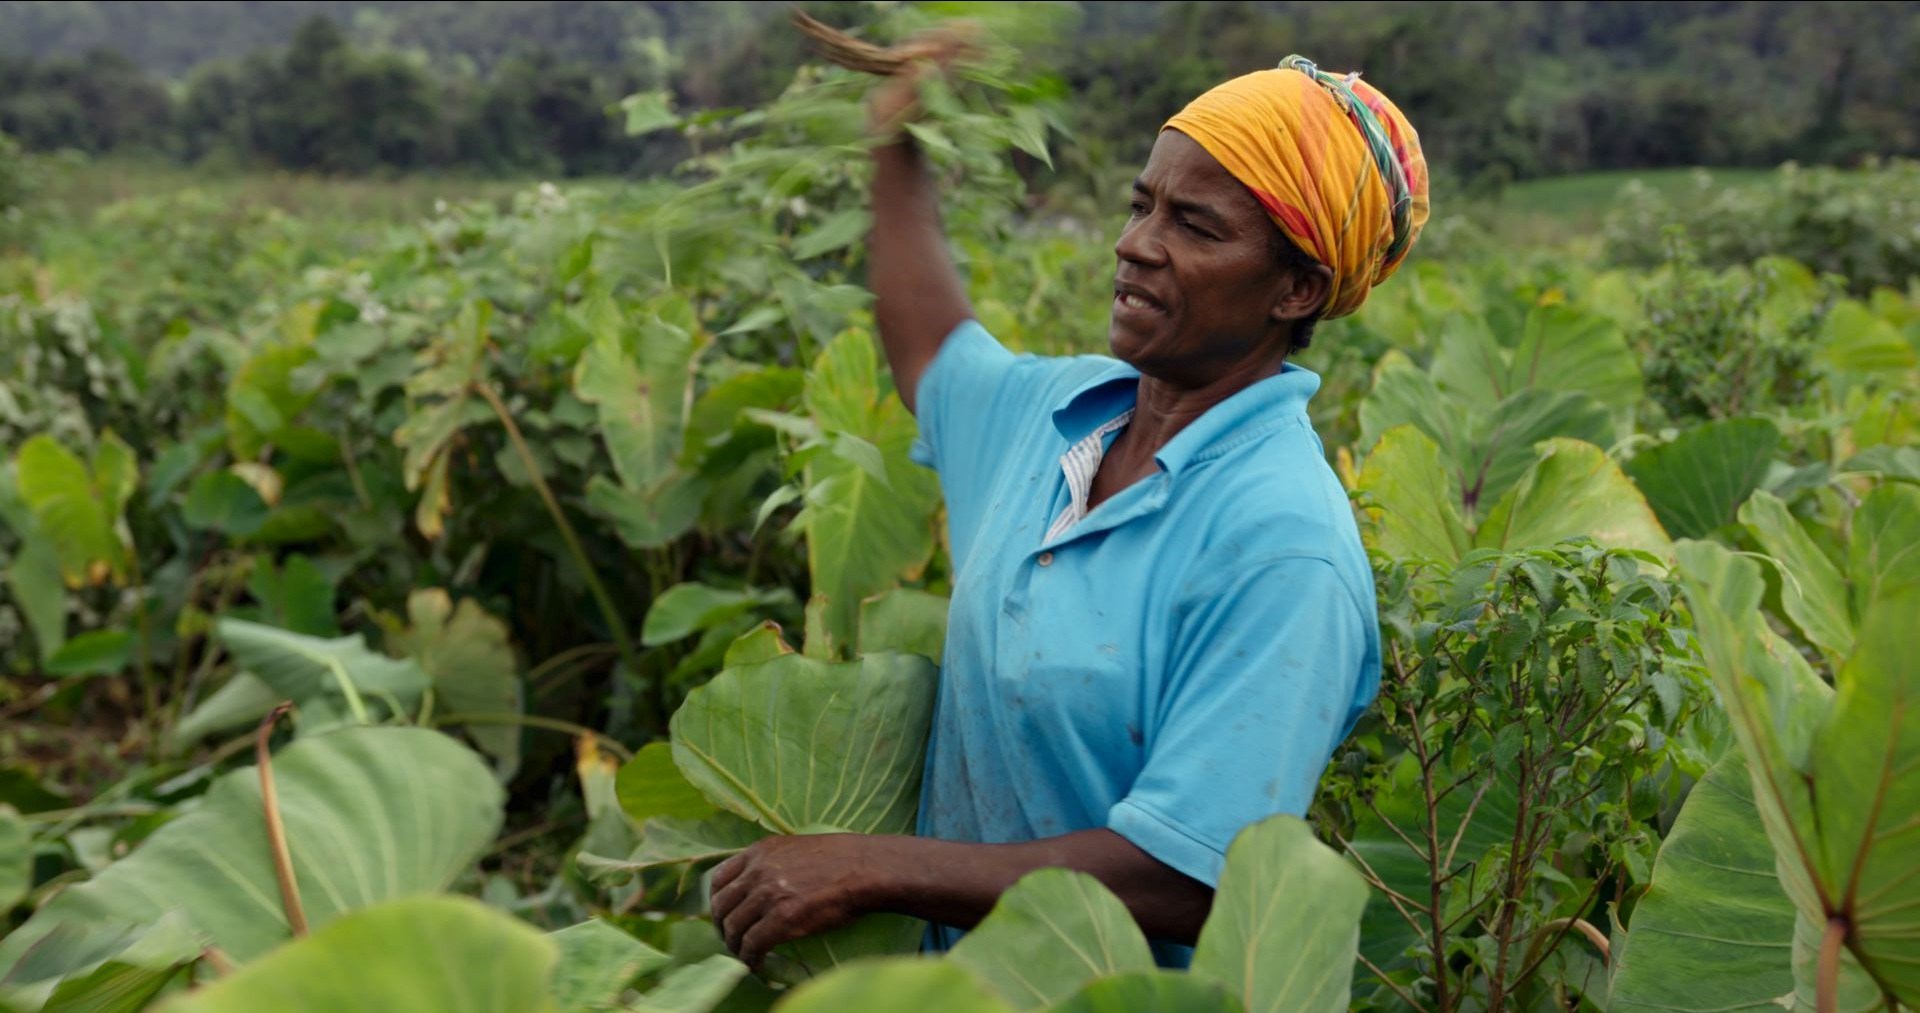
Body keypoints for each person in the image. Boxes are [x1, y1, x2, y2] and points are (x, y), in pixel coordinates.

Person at [709, 48, 1429, 970]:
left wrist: (871, 867)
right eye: (1141, 205)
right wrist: (896, 141)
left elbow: (1194, 878)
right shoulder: (1059, 417)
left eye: (1195, 226)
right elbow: (933, 348)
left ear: (1297, 290)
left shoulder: (1281, 546)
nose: (1136, 244)